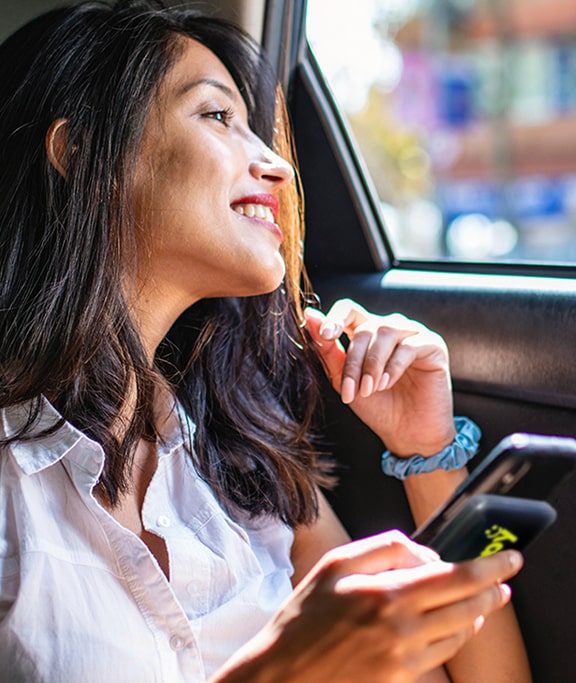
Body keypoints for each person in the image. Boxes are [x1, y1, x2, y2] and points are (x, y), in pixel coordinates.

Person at [0, 1, 532, 681]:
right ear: (82, 154)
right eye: (218, 116)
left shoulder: (238, 463)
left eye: (257, 130)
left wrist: (427, 452)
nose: (276, 166)